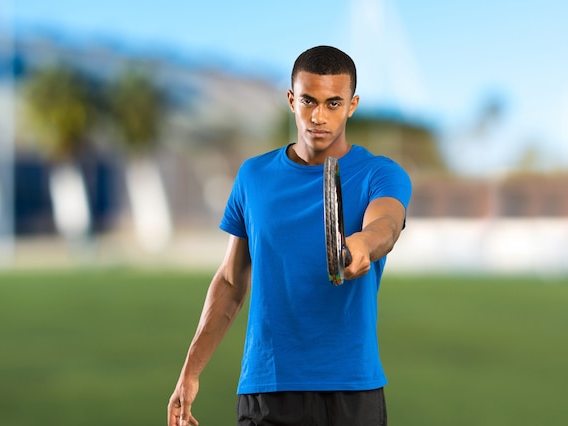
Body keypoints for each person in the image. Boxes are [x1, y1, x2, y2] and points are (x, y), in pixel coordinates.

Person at [167, 45, 412, 426]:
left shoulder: (380, 173)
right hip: (267, 390)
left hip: (352, 392)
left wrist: (360, 245)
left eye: (333, 103)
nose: (318, 116)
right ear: (290, 99)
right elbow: (232, 280)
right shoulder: (253, 176)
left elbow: (387, 225)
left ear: (352, 105)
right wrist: (190, 372)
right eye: (308, 101)